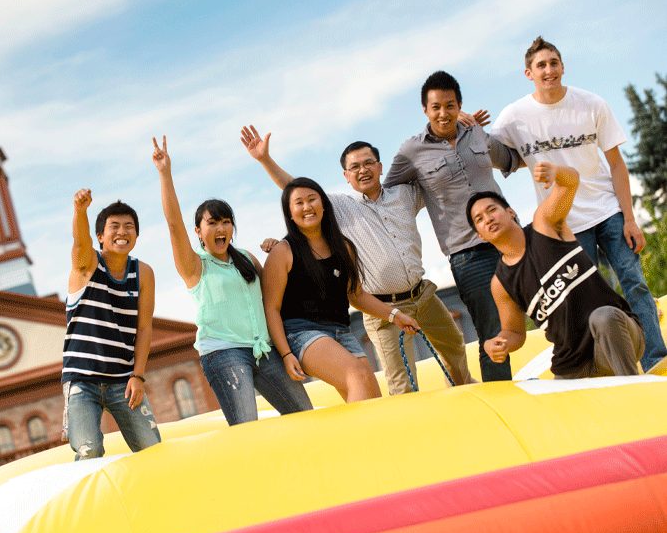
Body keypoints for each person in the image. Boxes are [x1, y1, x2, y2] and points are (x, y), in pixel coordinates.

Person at [241, 126, 474, 395]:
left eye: (368, 163)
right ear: (346, 176)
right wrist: (265, 160)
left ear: (380, 166)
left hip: (423, 294)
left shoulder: (404, 194)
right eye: (355, 167)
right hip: (382, 306)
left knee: (455, 346)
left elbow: (440, 185)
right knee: (400, 383)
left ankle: (463, 395)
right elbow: (297, 190)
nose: (362, 170)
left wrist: (454, 131)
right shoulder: (341, 207)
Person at [490, 36, 666, 373]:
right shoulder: (514, 116)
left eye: (554, 63)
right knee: (586, 298)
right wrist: (468, 123)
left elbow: (616, 163)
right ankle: (606, 364)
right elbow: (496, 154)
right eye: (541, 65)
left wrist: (629, 218)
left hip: (608, 211)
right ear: (529, 73)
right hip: (564, 223)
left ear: (563, 66)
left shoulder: (591, 103)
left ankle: (656, 359)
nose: (549, 70)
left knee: (635, 282)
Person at [152, 136, 312, 425]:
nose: (220, 227)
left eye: (225, 221)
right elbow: (174, 224)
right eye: (212, 223)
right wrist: (165, 174)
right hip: (224, 354)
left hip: (264, 350)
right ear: (199, 232)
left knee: (304, 414)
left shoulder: (247, 259)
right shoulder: (195, 265)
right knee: (247, 426)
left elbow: (275, 298)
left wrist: (279, 249)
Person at [383, 70, 521, 381]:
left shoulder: (477, 134)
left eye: (450, 106)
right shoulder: (411, 152)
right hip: (468, 255)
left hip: (512, 238)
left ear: (460, 105)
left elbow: (511, 159)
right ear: (425, 110)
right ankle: (502, 400)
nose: (443, 114)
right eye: (436, 107)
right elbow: (387, 194)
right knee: (492, 331)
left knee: (550, 302)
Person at [467, 162, 644, 379]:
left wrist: (557, 173)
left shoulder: (545, 225)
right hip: (574, 365)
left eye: (491, 209)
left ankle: (632, 390)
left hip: (618, 337)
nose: (488, 219)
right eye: (480, 219)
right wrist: (497, 343)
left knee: (603, 316)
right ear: (481, 235)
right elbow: (514, 333)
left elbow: (570, 183)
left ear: (511, 212)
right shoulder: (500, 283)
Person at [262, 177, 421, 402]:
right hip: (301, 334)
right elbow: (271, 308)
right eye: (299, 203)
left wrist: (395, 315)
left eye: (312, 200)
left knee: (372, 396)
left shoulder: (344, 247)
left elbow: (356, 295)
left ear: (324, 204)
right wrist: (287, 354)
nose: (307, 207)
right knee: (357, 374)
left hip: (341, 332)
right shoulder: (283, 251)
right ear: (290, 213)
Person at [61, 190, 161, 460]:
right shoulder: (87, 265)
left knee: (152, 448)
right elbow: (79, 244)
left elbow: (144, 329)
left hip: (123, 380)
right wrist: (80, 212)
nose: (122, 232)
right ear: (100, 237)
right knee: (89, 451)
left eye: (129, 227)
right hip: (82, 378)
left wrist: (138, 375)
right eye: (114, 226)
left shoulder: (143, 273)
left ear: (136, 236)